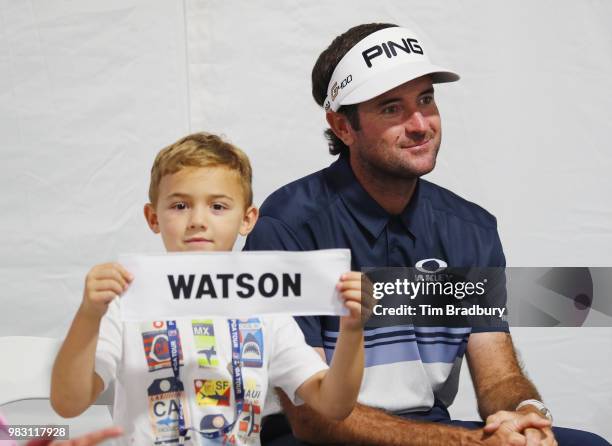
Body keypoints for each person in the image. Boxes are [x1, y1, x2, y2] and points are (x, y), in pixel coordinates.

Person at [244, 23, 610, 445]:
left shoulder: (470, 228)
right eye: (391, 109)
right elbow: (313, 418)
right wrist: (465, 443)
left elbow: (498, 375)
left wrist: (525, 419)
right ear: (343, 127)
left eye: (426, 100)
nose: (420, 124)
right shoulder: (287, 225)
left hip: (430, 431)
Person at [49, 132, 365, 445]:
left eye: (217, 206)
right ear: (153, 217)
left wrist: (352, 330)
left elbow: (333, 404)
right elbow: (68, 403)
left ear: (247, 219)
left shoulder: (266, 307)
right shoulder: (126, 301)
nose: (198, 220)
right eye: (179, 206)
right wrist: (89, 314)